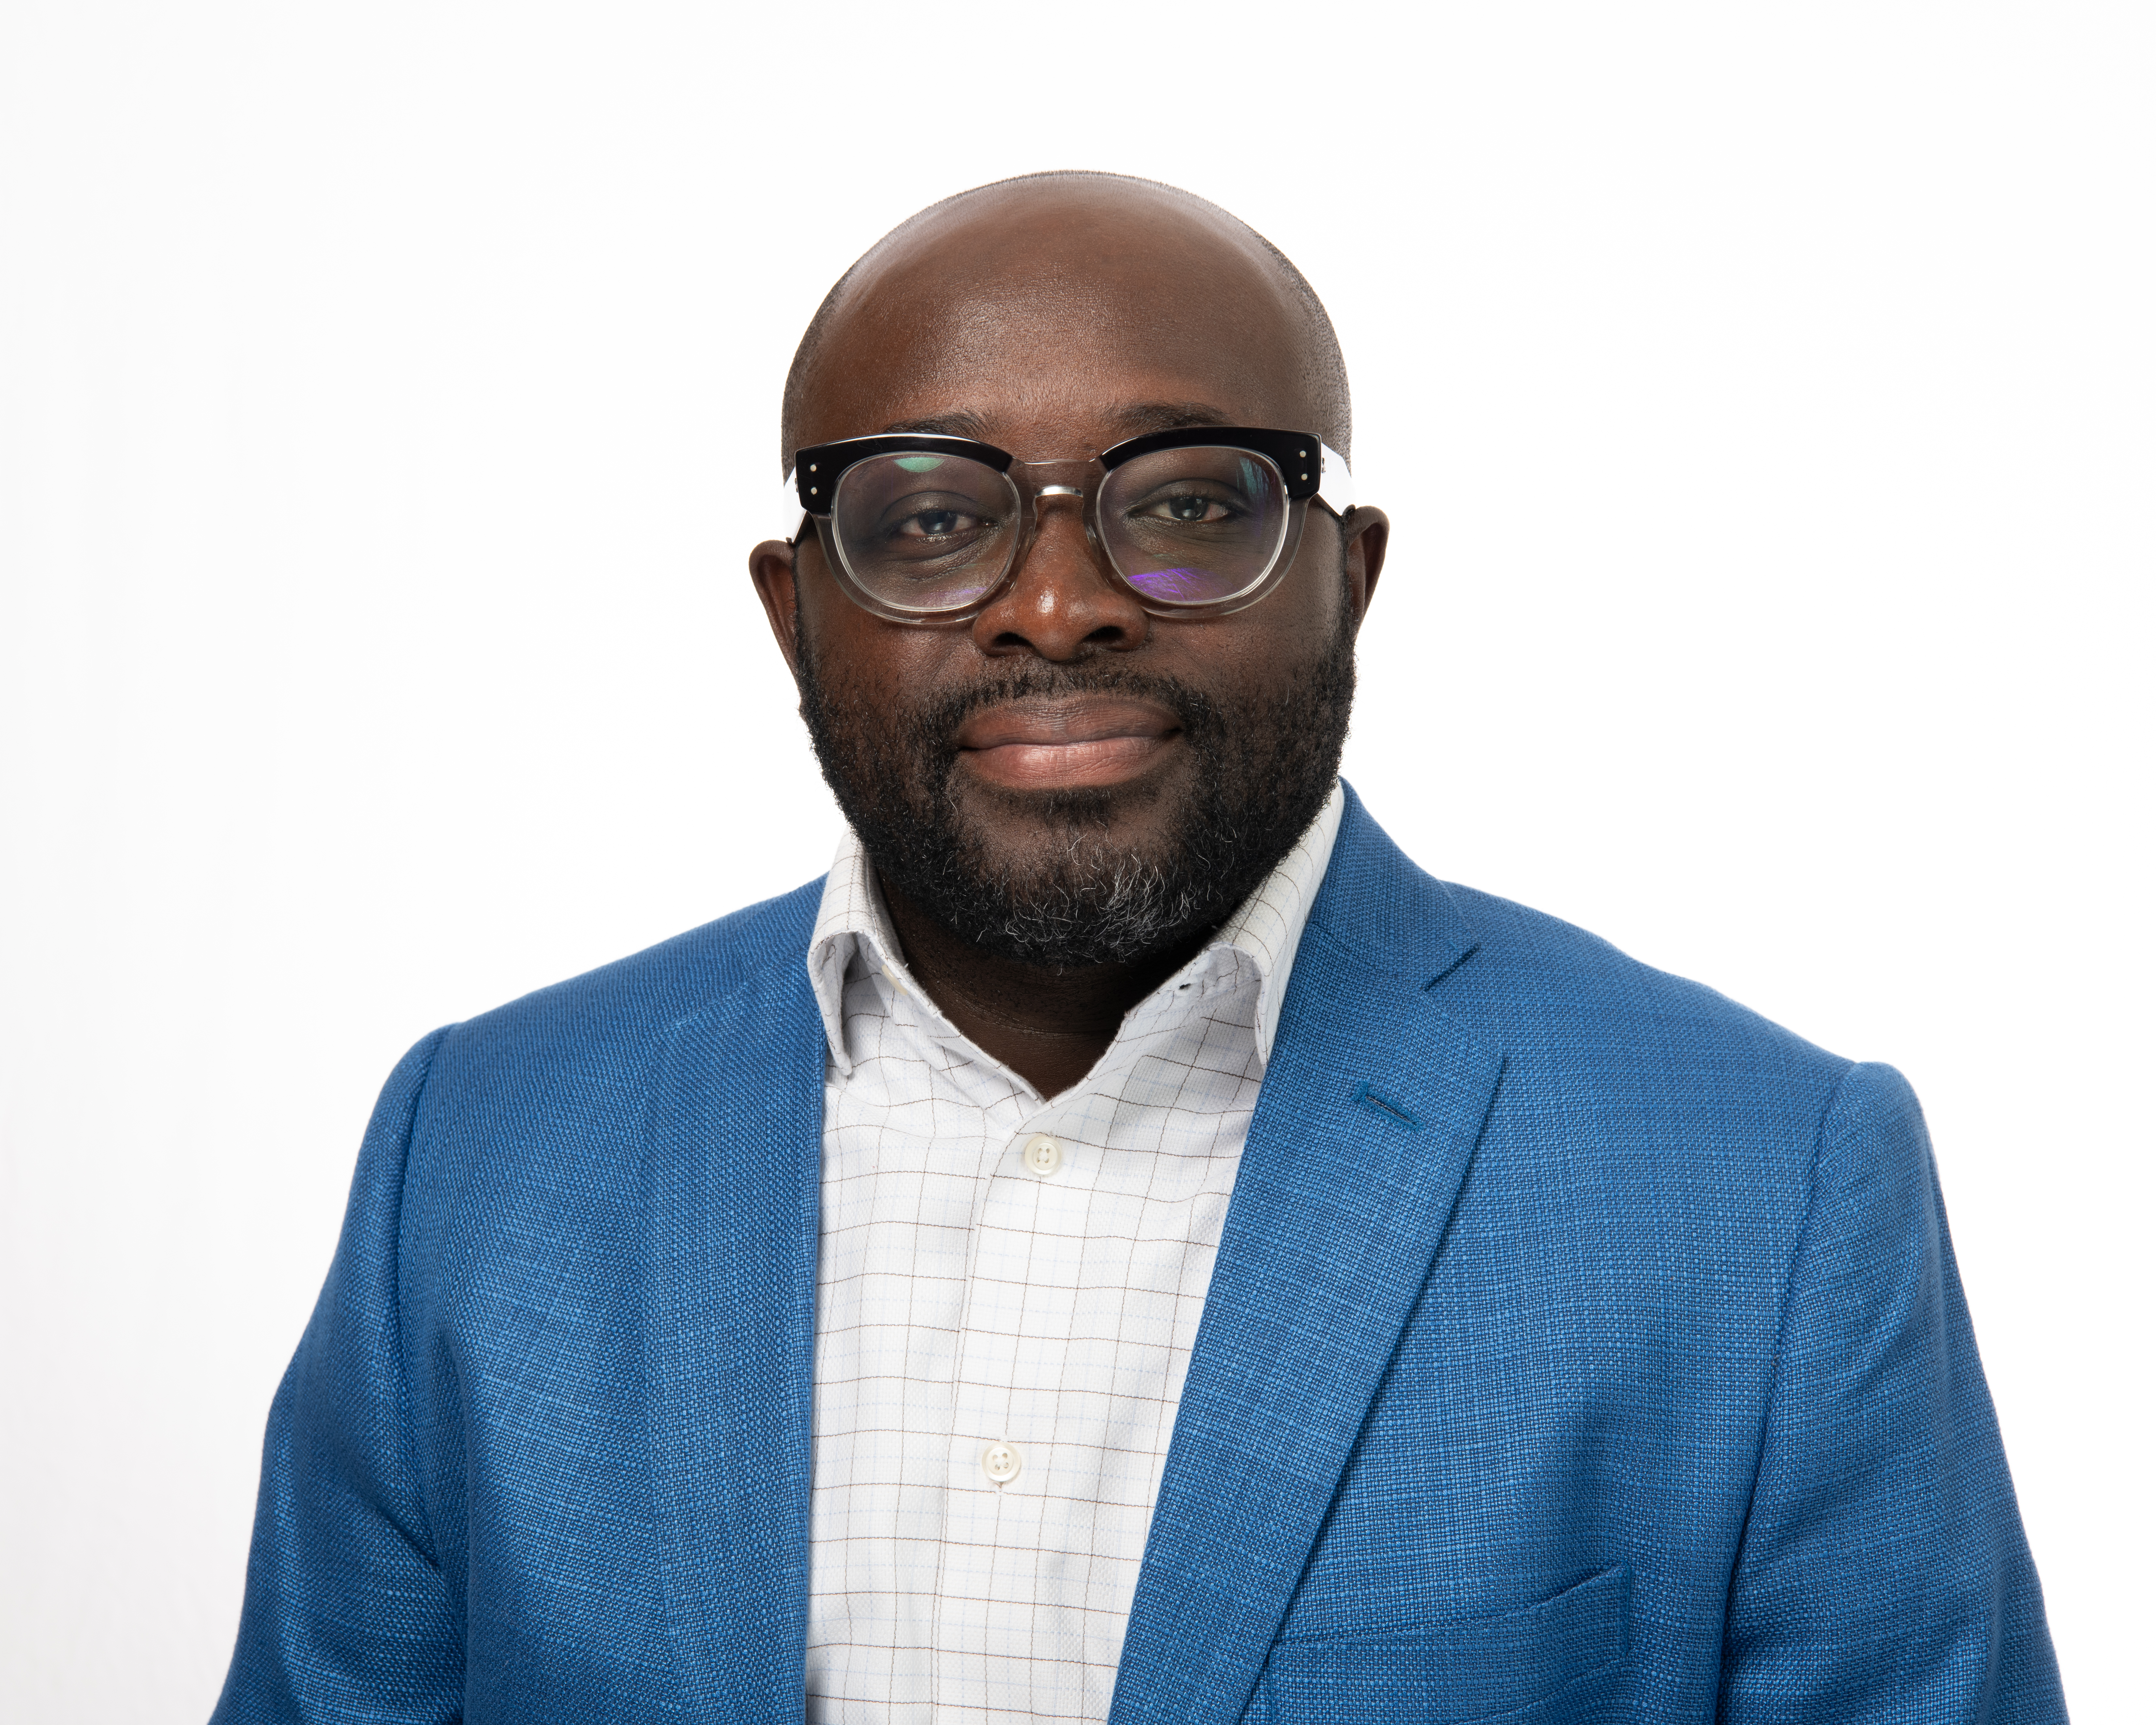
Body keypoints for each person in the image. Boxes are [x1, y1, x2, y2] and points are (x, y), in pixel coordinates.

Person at [210, 172, 2064, 1724]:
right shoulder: (481, 1154)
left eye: (1183, 505)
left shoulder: (1761, 1185)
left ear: (1349, 573)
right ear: (796, 618)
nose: (1058, 602)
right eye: (927, 520)